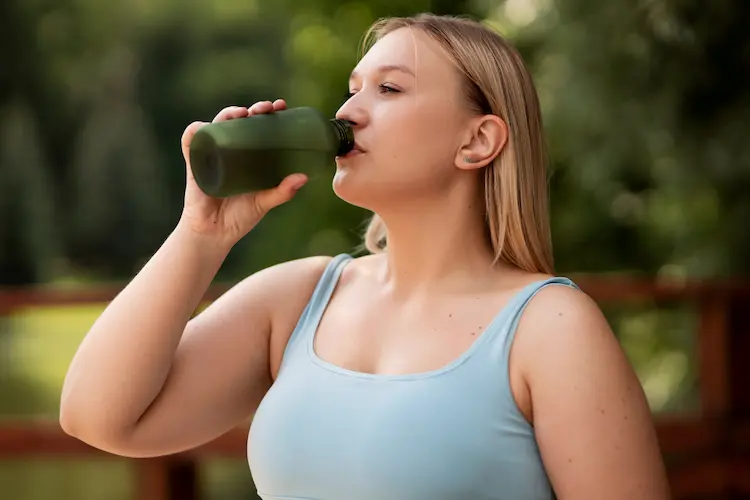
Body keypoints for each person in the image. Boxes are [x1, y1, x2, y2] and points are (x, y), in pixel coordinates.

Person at [59, 13, 671, 500]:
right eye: (351, 90)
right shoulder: (297, 300)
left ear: (477, 140)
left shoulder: (551, 328)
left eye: (388, 89)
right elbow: (97, 416)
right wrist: (201, 233)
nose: (347, 113)